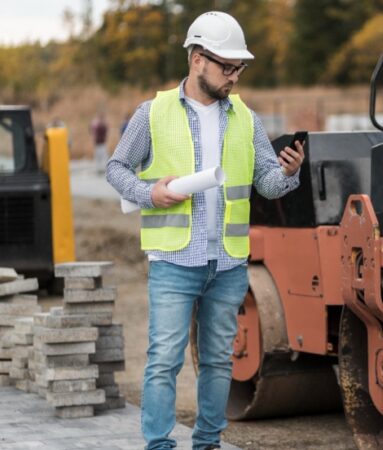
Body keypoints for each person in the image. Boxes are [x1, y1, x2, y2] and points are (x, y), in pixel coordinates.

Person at [105, 11, 305, 450]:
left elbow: (266, 183)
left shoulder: (247, 119)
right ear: (197, 59)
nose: (235, 76)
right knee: (163, 361)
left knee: (217, 360)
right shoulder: (151, 113)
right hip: (174, 261)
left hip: (229, 262)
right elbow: (115, 168)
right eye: (227, 67)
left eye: (240, 68)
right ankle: (159, 445)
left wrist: (289, 173)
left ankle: (208, 442)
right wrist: (147, 193)